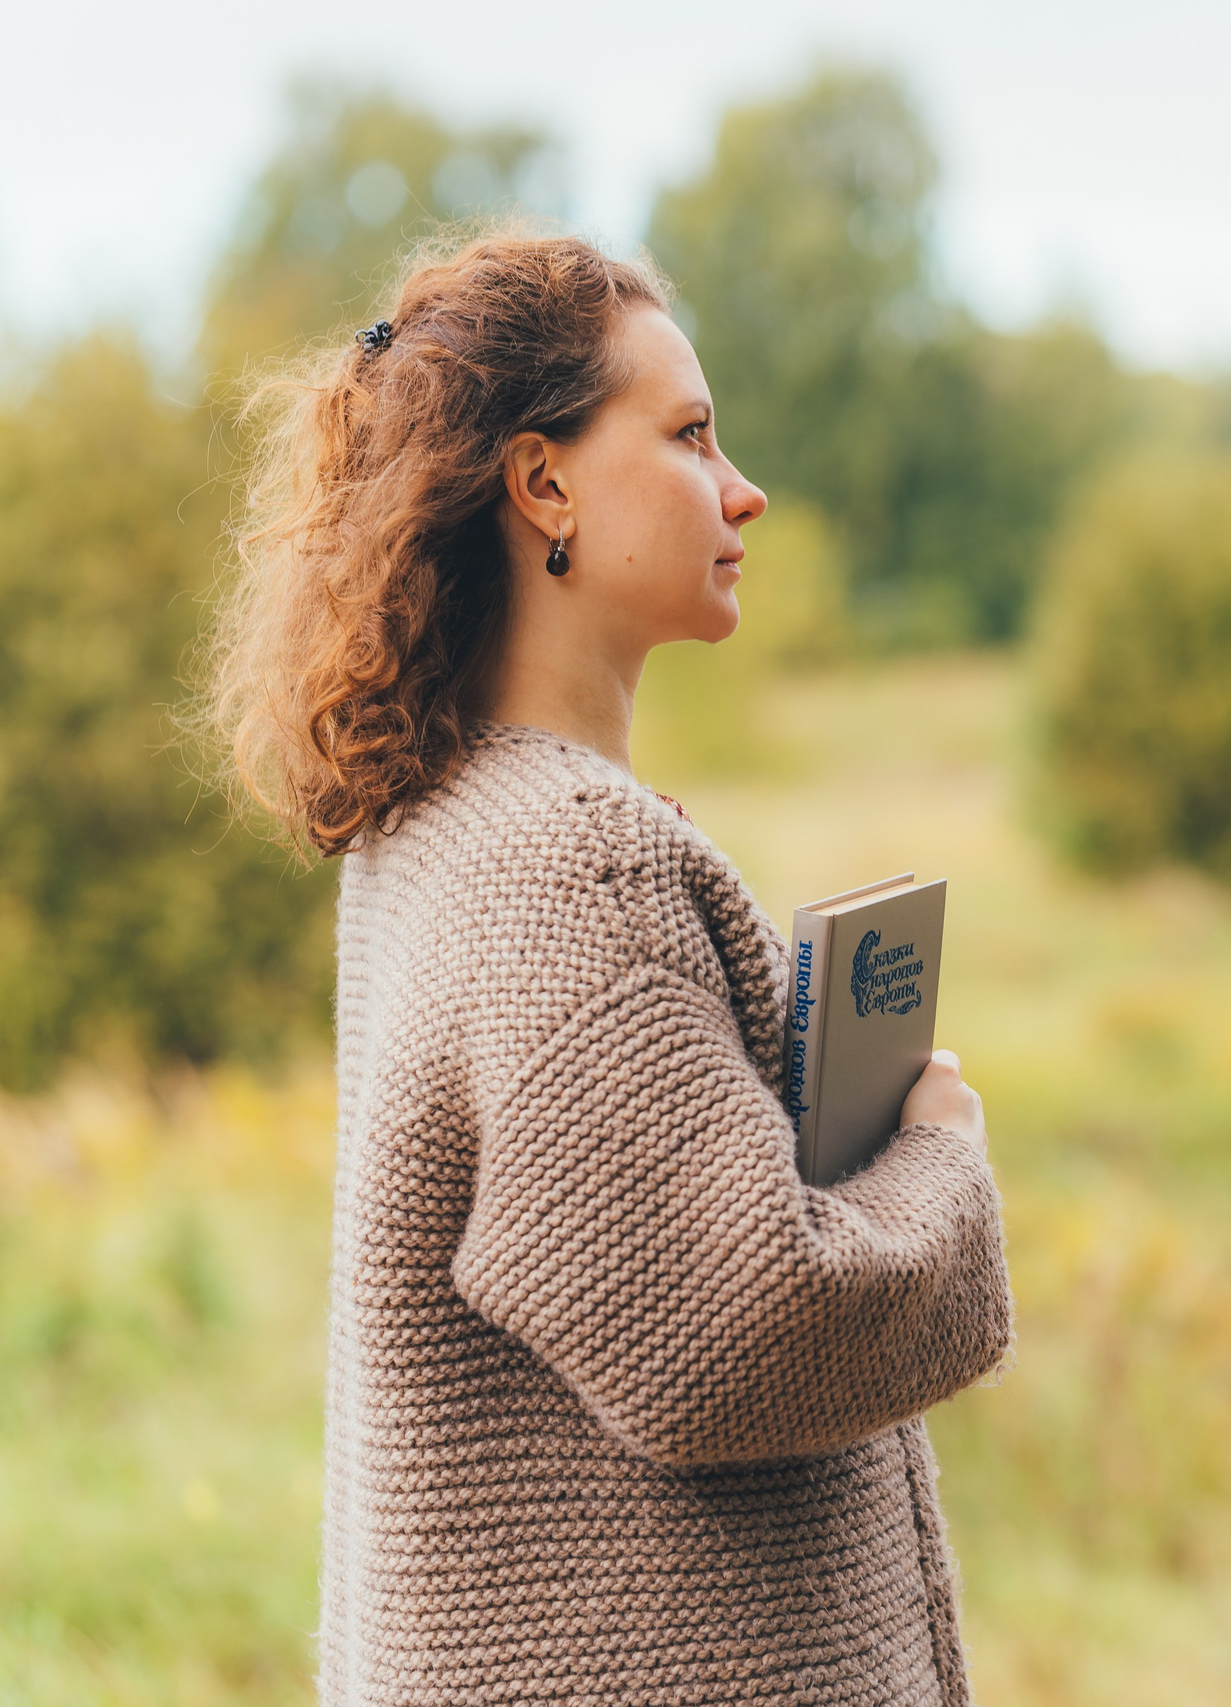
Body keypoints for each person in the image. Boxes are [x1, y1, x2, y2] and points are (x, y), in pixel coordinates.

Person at [202, 233, 1014, 1706]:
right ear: (546, 484)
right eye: (691, 435)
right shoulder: (575, 865)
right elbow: (734, 1333)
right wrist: (935, 1158)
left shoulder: (440, 825)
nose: (741, 486)